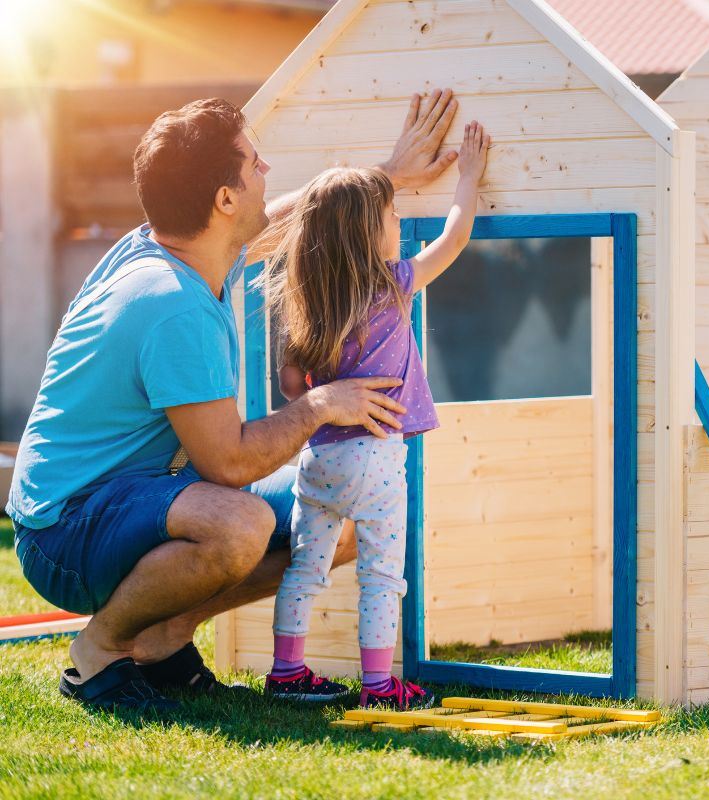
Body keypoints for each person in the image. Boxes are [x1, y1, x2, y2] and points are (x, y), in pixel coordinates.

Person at [4, 90, 460, 712]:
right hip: (65, 529)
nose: (265, 172)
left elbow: (287, 215)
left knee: (343, 505)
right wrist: (320, 405)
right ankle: (97, 654)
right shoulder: (171, 305)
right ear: (223, 200)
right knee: (241, 525)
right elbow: (229, 465)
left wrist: (384, 178)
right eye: (253, 164)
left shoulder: (183, 245)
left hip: (130, 498)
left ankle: (163, 635)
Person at [261, 122, 490, 711]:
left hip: (319, 458)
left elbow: (291, 385)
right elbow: (455, 237)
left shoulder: (308, 298)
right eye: (391, 217)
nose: (398, 224)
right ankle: (380, 684)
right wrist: (468, 177)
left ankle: (286, 671)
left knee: (304, 570)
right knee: (383, 576)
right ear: (368, 232)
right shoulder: (393, 284)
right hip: (378, 456)